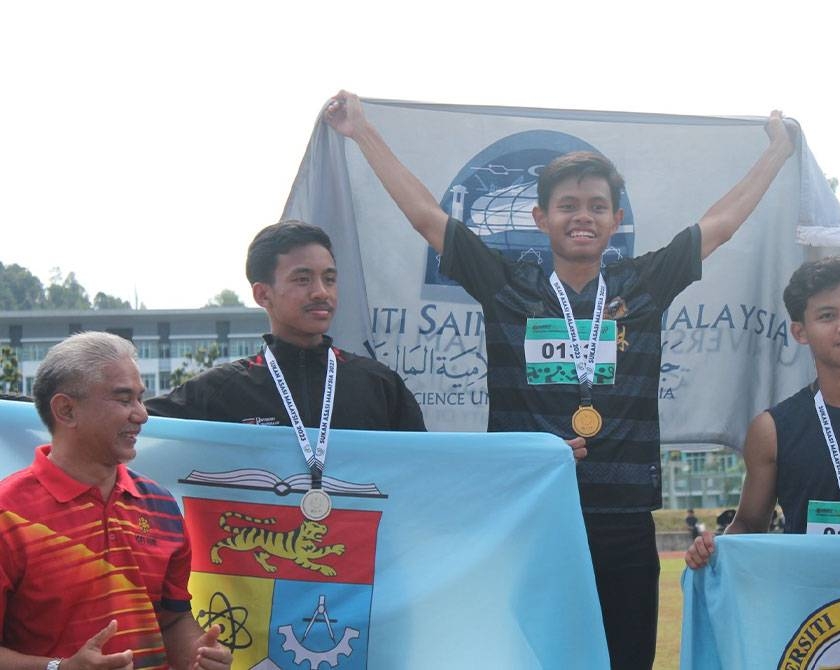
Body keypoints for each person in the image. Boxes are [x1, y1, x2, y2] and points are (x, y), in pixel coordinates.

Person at [326, 90, 795, 669]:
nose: (583, 216)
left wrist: (778, 152)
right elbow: (427, 215)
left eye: (597, 206)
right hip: (533, 517)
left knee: (626, 661)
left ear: (616, 219)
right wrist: (362, 131)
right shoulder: (506, 284)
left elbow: (720, 224)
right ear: (540, 217)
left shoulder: (642, 285)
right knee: (532, 660)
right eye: (568, 205)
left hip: (624, 523)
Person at [686, 256, 840, 570]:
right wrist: (712, 551)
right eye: (827, 315)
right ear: (800, 331)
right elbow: (749, 525)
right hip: (809, 608)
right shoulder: (772, 429)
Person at [0, 331, 232, 670]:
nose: (142, 415)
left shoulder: (161, 506)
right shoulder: (8, 514)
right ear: (66, 410)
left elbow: (171, 619)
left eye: (140, 398)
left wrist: (202, 656)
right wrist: (59, 668)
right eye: (124, 400)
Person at [146, 221, 426, 433]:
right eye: (302, 280)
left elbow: (426, 471)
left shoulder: (379, 385)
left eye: (329, 279)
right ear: (262, 294)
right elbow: (131, 428)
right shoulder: (221, 390)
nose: (321, 292)